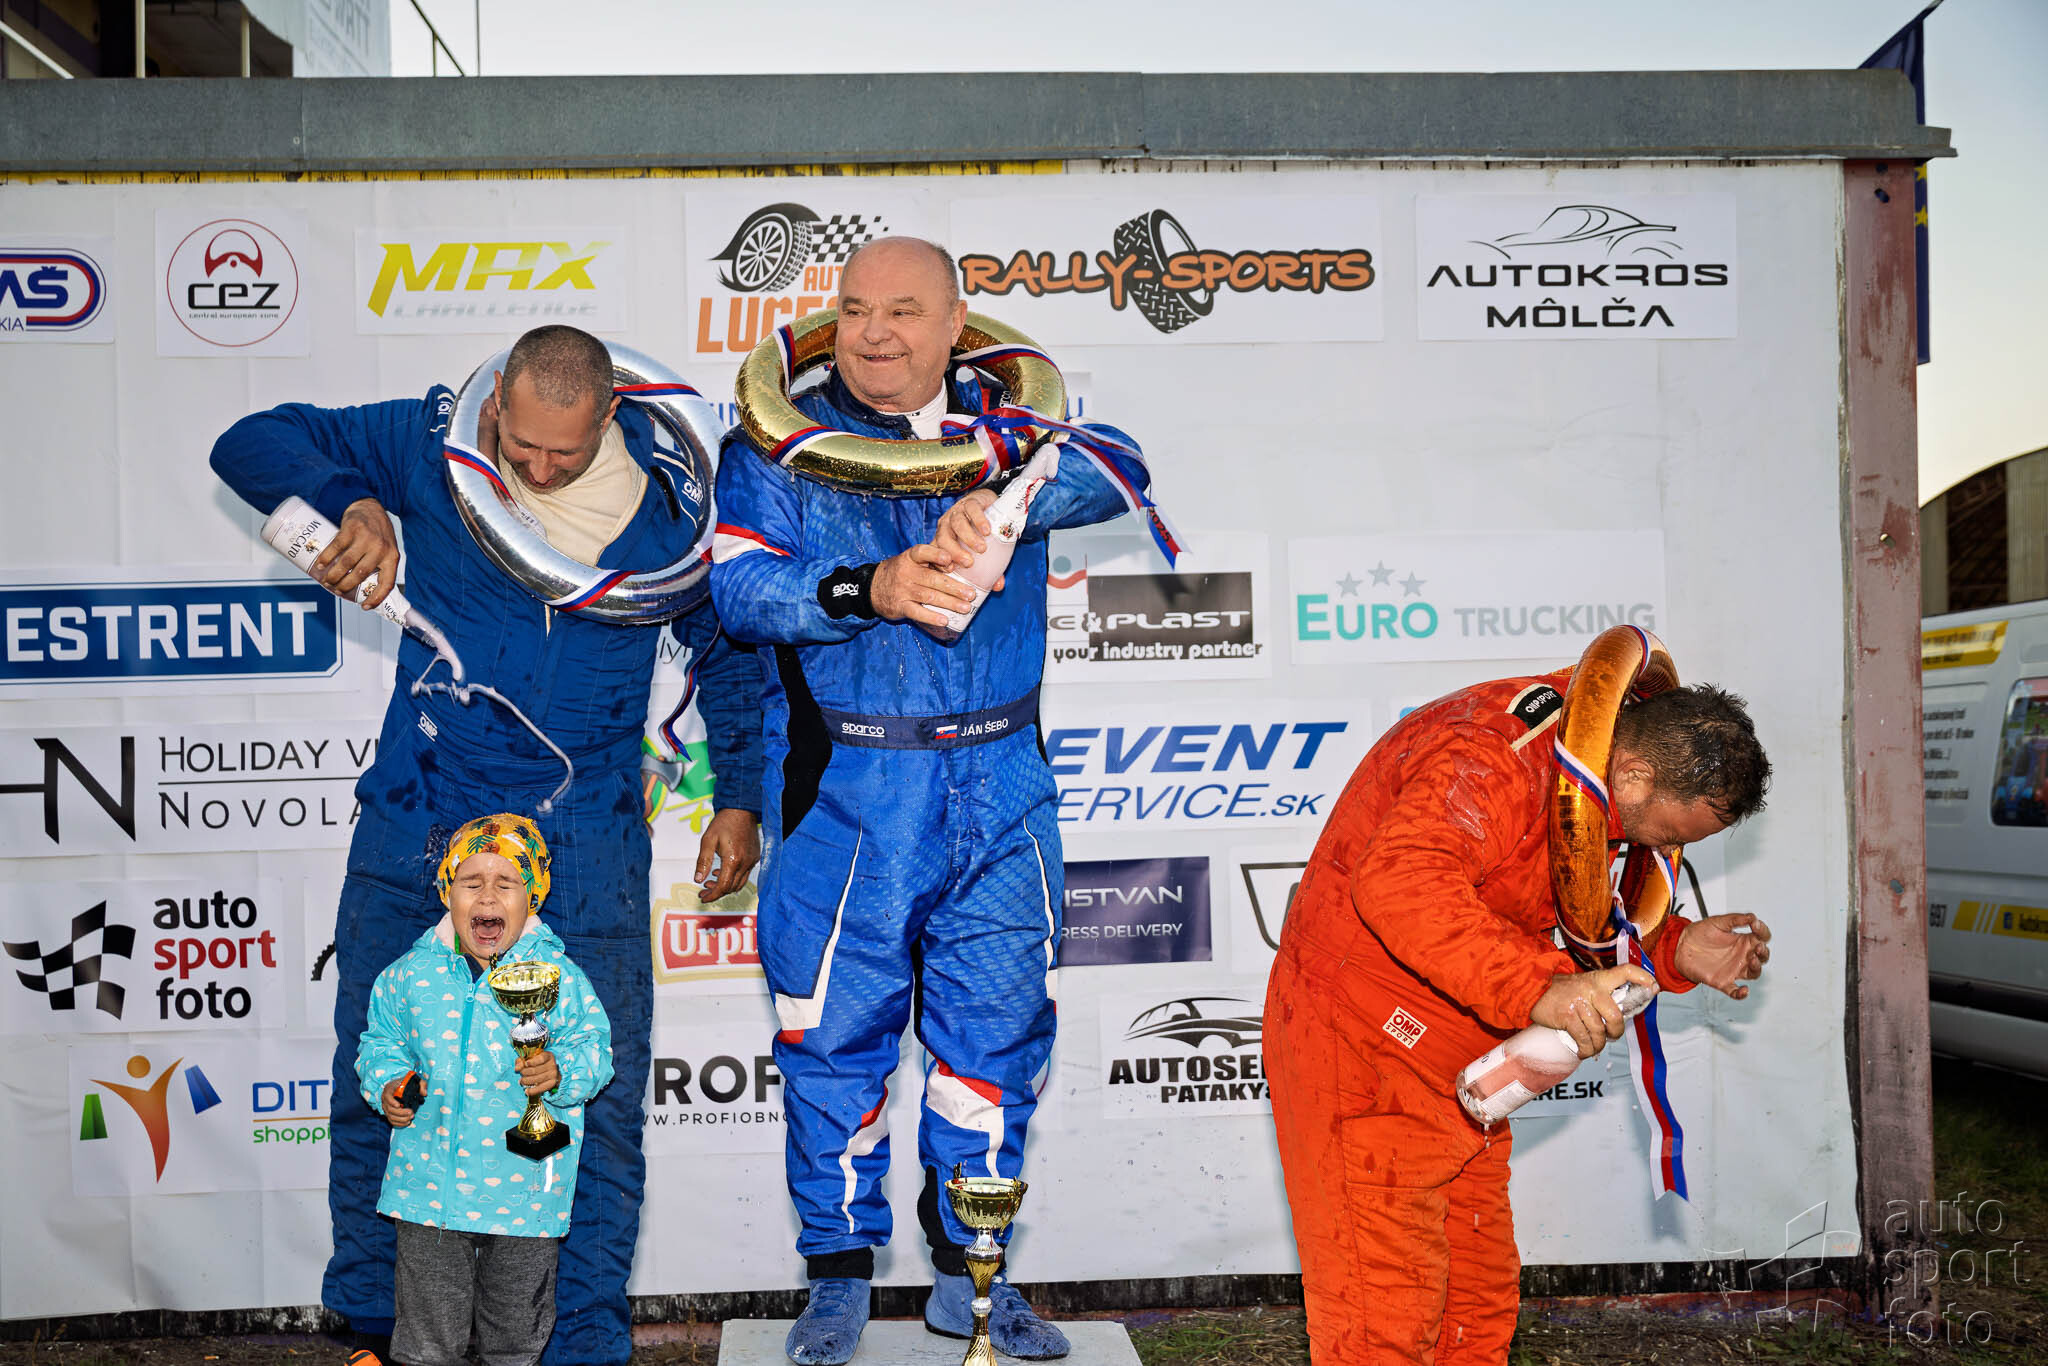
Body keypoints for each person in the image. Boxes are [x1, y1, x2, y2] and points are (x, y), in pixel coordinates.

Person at [210, 325, 762, 1366]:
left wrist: (740, 794)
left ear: (610, 414)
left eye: (566, 453)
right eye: (523, 445)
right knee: (385, 1081)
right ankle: (380, 1331)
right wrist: (353, 500)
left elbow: (732, 650)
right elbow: (248, 440)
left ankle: (580, 1341)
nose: (538, 470)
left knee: (590, 1097)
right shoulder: (432, 443)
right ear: (496, 398)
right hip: (422, 816)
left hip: (583, 836)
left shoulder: (680, 501)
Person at [710, 236, 1154, 1365]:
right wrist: (871, 586)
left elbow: (1122, 466)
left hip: (1002, 787)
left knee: (993, 1043)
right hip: (850, 790)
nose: (874, 333)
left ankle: (974, 1277)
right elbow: (740, 591)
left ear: (957, 324)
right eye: (855, 308)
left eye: (904, 311)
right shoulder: (777, 442)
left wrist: (1005, 491)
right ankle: (837, 1282)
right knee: (831, 1044)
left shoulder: (1014, 424)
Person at [1265, 674, 1773, 1365]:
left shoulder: (1596, 765)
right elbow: (1403, 880)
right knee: (1383, 1317)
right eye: (1658, 834)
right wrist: (1539, 987)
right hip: (1363, 1044)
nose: (1649, 848)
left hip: (1462, 1060)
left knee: (1475, 1305)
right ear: (1633, 776)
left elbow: (1579, 906)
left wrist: (1675, 946)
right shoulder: (1491, 755)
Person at [357, 814, 612, 1366]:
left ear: (532, 898)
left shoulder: (559, 976)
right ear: (447, 893)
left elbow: (596, 1051)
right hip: (429, 1192)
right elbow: (380, 1042)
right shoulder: (407, 975)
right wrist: (388, 1085)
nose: (488, 897)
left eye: (506, 884)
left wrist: (560, 1070)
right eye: (471, 883)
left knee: (515, 1342)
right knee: (427, 1344)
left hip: (525, 1192)